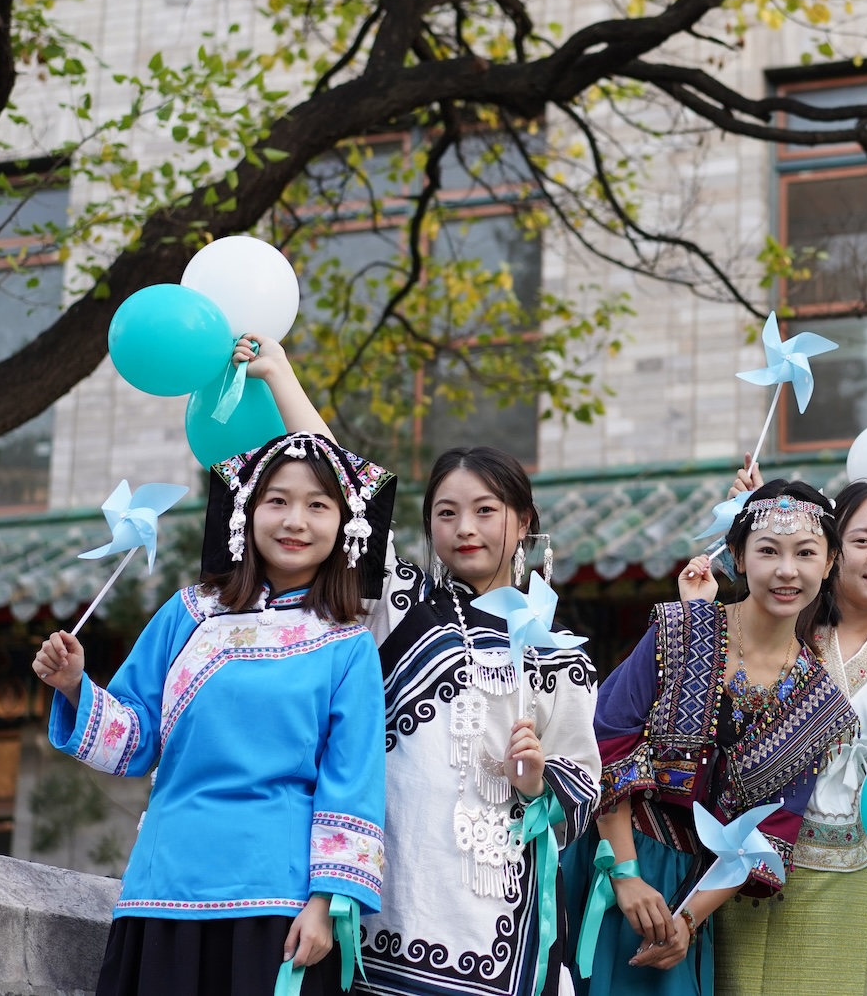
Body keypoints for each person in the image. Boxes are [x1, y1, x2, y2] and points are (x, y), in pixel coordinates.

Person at [32, 363, 394, 996]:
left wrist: (327, 902)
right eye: (276, 501)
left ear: (343, 528)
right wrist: (74, 686)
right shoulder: (188, 613)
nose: (294, 521)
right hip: (163, 883)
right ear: (246, 514)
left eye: (317, 506)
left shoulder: (347, 644)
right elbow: (137, 740)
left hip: (277, 902)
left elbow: (352, 783)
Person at [575, 479, 860, 996]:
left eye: (806, 553)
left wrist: (686, 923)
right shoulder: (679, 629)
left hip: (692, 892)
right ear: (738, 556)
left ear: (830, 561)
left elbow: (768, 833)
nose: (786, 570)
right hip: (609, 853)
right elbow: (606, 742)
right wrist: (625, 874)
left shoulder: (821, 705)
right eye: (768, 550)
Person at [363, 446, 602, 996]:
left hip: (499, 923)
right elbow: (355, 497)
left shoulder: (561, 653)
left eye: (485, 511)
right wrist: (279, 372)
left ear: (523, 522)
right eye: (446, 513)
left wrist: (538, 782)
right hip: (394, 897)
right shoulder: (402, 606)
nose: (464, 528)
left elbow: (585, 786)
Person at [676, 478, 867, 995]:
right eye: (863, 540)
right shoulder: (781, 631)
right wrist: (755, 514)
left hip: (846, 873)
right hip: (740, 867)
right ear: (834, 556)